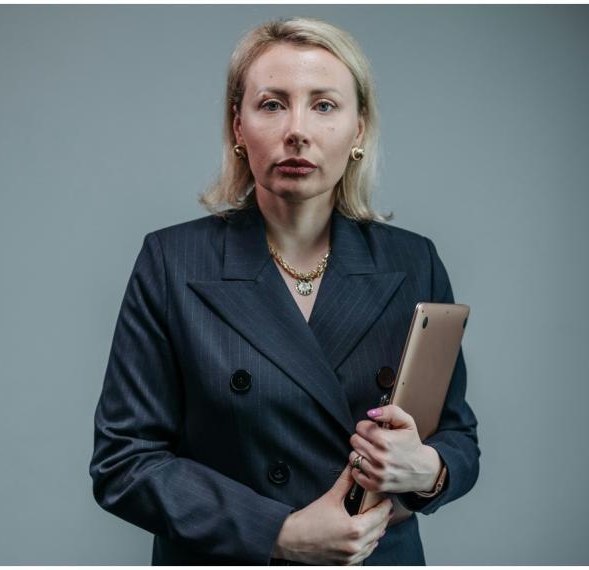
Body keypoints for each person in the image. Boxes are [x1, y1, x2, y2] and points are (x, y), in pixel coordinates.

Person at [89, 17, 480, 565]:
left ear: (359, 128)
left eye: (324, 105)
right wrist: (281, 531)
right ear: (238, 127)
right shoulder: (172, 261)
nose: (297, 129)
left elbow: (458, 435)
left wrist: (428, 471)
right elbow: (123, 462)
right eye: (272, 104)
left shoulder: (413, 261)